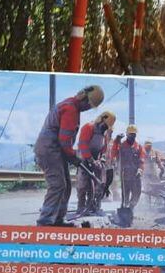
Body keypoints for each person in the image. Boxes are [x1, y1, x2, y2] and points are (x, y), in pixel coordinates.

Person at [34, 85, 103, 226]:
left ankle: (58, 220)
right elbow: (65, 141)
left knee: (66, 186)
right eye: (88, 105)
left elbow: (65, 142)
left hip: (56, 150)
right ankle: (45, 222)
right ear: (83, 97)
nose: (87, 108)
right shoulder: (71, 109)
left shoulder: (72, 106)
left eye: (90, 107)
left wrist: (71, 156)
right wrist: (73, 157)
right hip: (49, 150)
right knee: (58, 185)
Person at [76, 110, 116, 217]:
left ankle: (95, 205)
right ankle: (81, 206)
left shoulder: (104, 134)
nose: (105, 129)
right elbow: (83, 145)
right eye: (105, 126)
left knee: (99, 182)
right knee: (83, 183)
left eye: (107, 127)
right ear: (101, 119)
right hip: (84, 158)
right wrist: (90, 160)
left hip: (96, 158)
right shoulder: (88, 127)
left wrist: (101, 159)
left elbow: (104, 149)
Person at [119, 124, 145, 213]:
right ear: (127, 134)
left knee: (137, 193)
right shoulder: (121, 146)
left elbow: (142, 160)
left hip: (136, 175)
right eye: (131, 134)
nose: (132, 136)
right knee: (125, 194)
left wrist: (140, 170)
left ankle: (131, 207)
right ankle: (125, 209)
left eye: (134, 134)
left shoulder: (139, 146)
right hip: (125, 175)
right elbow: (116, 157)